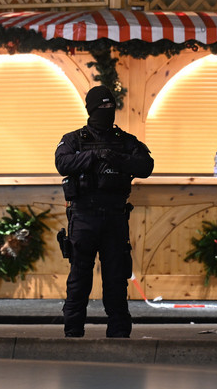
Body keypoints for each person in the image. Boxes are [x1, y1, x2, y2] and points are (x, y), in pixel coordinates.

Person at [55, 85, 154, 338]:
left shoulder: (125, 141)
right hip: (83, 216)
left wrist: (117, 159)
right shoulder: (74, 139)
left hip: (114, 217)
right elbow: (62, 163)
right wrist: (94, 156)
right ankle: (73, 331)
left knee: (116, 279)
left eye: (111, 107)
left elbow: (146, 165)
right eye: (102, 107)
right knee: (79, 279)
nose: (107, 111)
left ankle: (119, 332)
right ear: (90, 109)